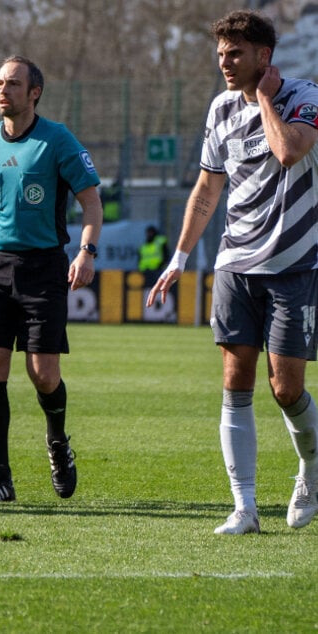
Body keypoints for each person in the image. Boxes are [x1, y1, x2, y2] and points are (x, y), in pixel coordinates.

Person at [147, 10, 318, 535]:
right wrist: (179, 255)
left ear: (263, 57)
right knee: (234, 380)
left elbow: (288, 151)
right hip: (234, 264)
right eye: (221, 52)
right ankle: (244, 508)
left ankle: (312, 469)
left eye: (236, 53)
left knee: (285, 389)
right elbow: (207, 189)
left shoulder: (305, 96)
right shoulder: (219, 109)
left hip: (293, 265)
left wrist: (265, 98)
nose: (225, 61)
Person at [0, 56, 103, 503]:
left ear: (35, 93)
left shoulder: (57, 140)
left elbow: (91, 202)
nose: (2, 91)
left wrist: (86, 252)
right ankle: (0, 479)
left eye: (12, 84)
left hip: (43, 269)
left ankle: (57, 442)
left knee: (42, 373)